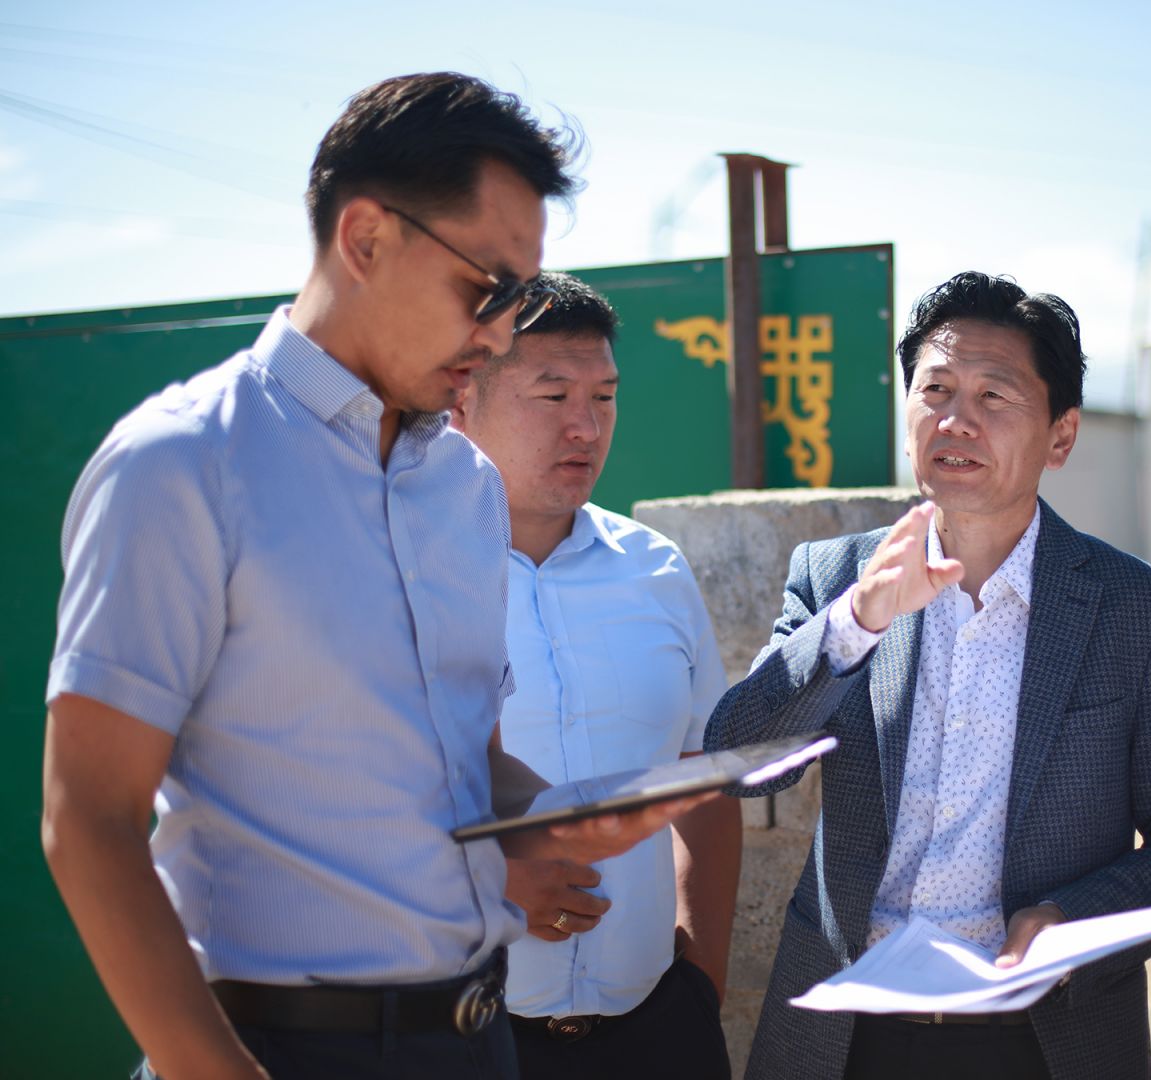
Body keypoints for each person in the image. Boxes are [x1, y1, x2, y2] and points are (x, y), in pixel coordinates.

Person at [41, 73, 707, 1080]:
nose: (499, 332)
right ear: (365, 239)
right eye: (487, 289)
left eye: (520, 297)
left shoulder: (464, 487)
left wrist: (566, 817)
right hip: (273, 1047)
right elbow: (88, 819)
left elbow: (465, 762)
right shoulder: (183, 464)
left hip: (478, 1040)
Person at [703, 270, 1151, 1080]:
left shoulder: (1133, 609)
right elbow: (738, 763)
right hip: (845, 1035)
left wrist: (1073, 922)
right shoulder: (837, 579)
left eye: (994, 396)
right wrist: (858, 621)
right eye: (936, 390)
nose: (957, 419)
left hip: (1041, 1036)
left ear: (1060, 436)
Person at [449, 271, 740, 1079]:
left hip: (657, 1033)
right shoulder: (406, 575)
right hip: (466, 1038)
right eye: (553, 396)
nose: (585, 426)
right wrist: (487, 884)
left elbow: (703, 781)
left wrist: (701, 978)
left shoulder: (657, 570)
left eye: (604, 398)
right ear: (461, 399)